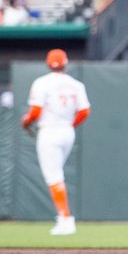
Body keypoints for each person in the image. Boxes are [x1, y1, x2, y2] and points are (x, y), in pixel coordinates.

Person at [21, 49, 90, 235]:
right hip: (67, 130)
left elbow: (35, 111)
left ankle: (66, 219)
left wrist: (26, 121)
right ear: (65, 63)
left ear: (48, 63)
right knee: (56, 175)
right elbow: (84, 112)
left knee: (53, 176)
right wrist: (70, 125)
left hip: (49, 130)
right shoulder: (75, 84)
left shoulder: (42, 82)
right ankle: (65, 218)